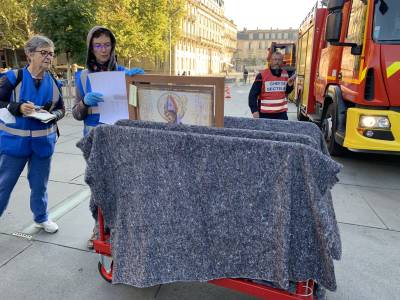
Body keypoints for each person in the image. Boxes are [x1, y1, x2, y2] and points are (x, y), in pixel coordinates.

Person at [72, 26, 144, 248]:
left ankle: (119, 228)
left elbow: (138, 108)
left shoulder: (124, 73)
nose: (103, 50)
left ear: (113, 46)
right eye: (98, 45)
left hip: (120, 138)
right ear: (91, 48)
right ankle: (99, 227)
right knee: (98, 187)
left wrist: (140, 85)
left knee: (121, 188)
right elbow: (75, 113)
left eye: (107, 44)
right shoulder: (82, 77)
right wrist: (85, 102)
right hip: (94, 140)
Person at [0, 35, 65, 233]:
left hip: (43, 144)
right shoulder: (13, 77)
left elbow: (62, 109)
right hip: (14, 144)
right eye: (44, 52)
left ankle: (41, 218)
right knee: (4, 185)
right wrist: (16, 107)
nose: (48, 57)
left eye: (51, 54)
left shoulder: (54, 81)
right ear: (29, 54)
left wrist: (52, 115)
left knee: (39, 186)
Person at [248, 52, 296, 120]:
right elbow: (252, 95)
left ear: (282, 61)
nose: (277, 62)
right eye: (275, 59)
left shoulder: (285, 74)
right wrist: (254, 111)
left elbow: (286, 92)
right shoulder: (262, 75)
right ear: (270, 61)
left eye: (279, 60)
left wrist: (289, 85)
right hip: (265, 114)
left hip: (281, 114)